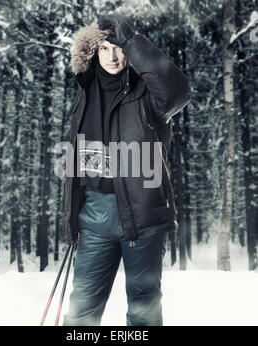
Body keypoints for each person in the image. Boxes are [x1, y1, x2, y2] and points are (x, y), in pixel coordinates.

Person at [61, 14, 191, 326]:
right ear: (94, 52)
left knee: (144, 311)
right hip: (95, 215)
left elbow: (177, 92)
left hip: (143, 214)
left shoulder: (147, 92)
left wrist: (132, 40)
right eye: (105, 48)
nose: (113, 55)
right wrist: (73, 212)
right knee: (81, 312)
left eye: (118, 47)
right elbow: (76, 158)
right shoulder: (83, 91)